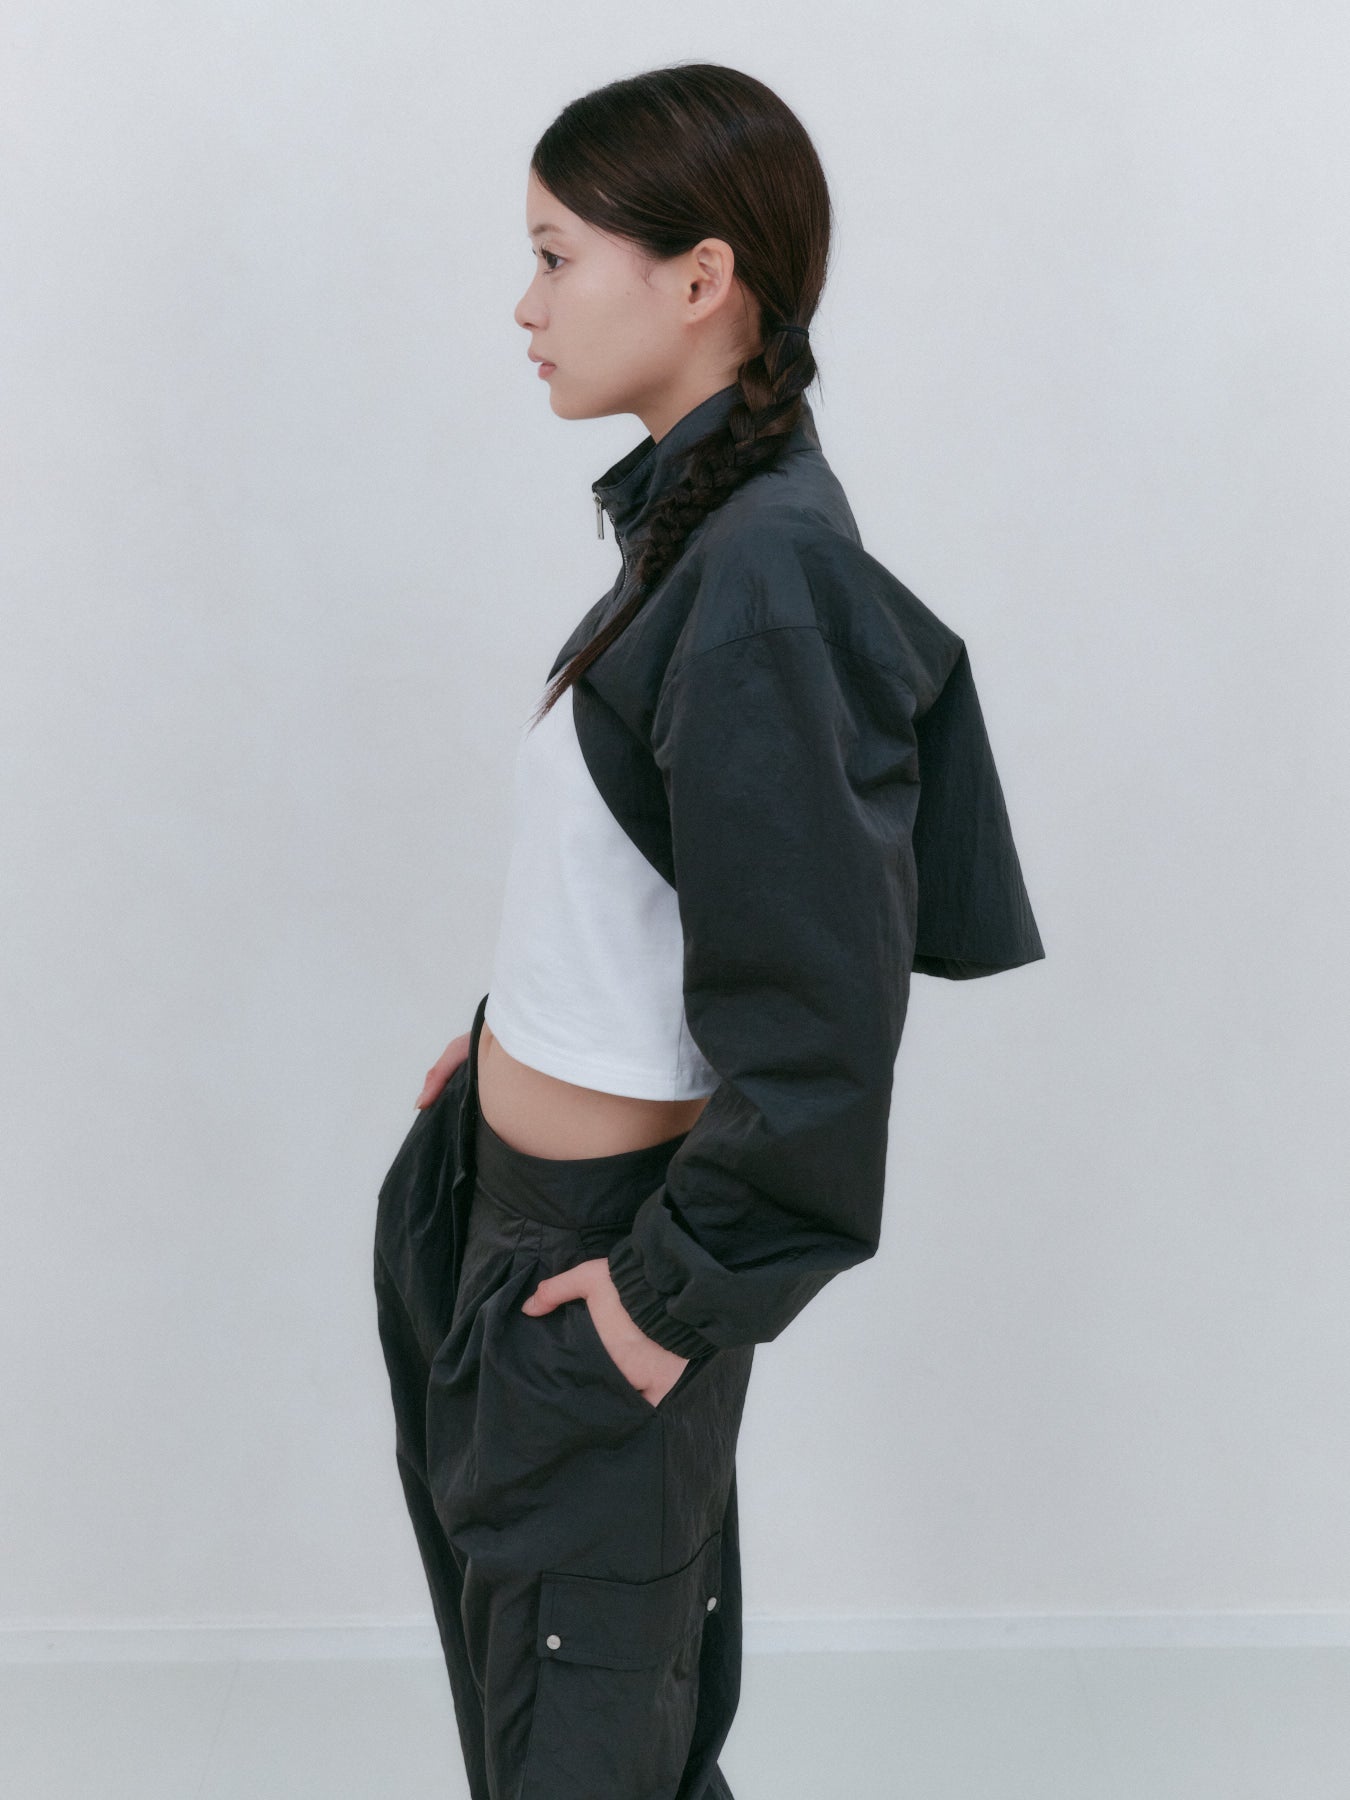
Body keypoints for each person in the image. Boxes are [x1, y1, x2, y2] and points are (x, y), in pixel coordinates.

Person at [372, 61, 1045, 1800]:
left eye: (554, 255)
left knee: (584, 1750)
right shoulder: (698, 530)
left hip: (594, 1263)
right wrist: (516, 1035)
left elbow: (819, 1019)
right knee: (571, 1729)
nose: (523, 305)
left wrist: (659, 1306)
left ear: (699, 277)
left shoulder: (759, 573)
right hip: (515, 1217)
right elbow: (656, 864)